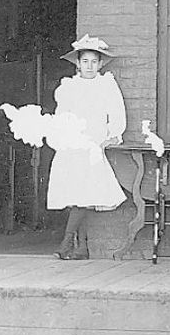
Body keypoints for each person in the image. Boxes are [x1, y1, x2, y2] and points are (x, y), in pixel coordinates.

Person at [47, 34, 127, 260]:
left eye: (94, 61)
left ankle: (66, 243)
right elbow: (61, 115)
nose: (89, 66)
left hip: (92, 146)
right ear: (78, 63)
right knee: (76, 195)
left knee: (83, 195)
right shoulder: (69, 86)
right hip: (72, 145)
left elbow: (117, 113)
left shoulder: (106, 85)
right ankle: (82, 247)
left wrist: (112, 136)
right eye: (85, 61)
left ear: (100, 63)